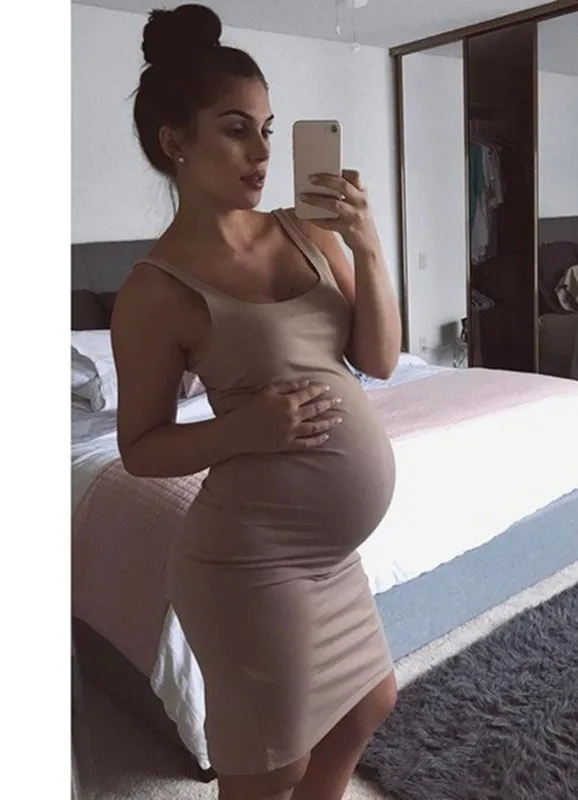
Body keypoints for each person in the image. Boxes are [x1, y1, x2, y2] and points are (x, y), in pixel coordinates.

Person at [111, 5, 401, 799]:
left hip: (326, 555)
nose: (263, 151)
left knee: (366, 705)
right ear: (175, 142)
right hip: (249, 562)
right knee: (271, 771)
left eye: (268, 129)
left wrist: (369, 245)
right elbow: (140, 449)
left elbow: (379, 359)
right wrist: (246, 428)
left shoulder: (306, 230)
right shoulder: (155, 289)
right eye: (237, 129)